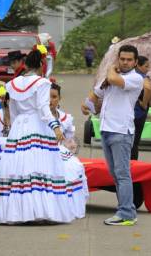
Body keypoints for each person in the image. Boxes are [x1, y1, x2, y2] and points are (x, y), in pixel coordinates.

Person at [0, 45, 84, 225]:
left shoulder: (11, 84)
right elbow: (44, 109)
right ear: (42, 64)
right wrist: (56, 126)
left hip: (19, 128)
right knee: (40, 166)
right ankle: (40, 211)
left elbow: (13, 111)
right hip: (37, 125)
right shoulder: (43, 83)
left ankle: (18, 213)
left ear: (25, 64)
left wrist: (15, 126)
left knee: (20, 168)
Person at [84, 43, 144, 227]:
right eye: (122, 59)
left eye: (129, 60)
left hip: (121, 131)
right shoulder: (111, 77)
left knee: (122, 174)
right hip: (107, 129)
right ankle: (124, 210)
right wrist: (88, 103)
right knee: (115, 174)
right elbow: (96, 93)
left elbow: (111, 77)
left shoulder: (135, 78)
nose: (125, 62)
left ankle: (127, 213)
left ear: (135, 62)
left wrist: (111, 68)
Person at [50, 81, 88, 220]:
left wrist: (69, 147)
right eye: (48, 97)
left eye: (54, 97)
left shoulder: (66, 118)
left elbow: (70, 142)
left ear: (59, 99)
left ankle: (66, 207)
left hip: (61, 152)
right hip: (42, 150)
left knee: (73, 166)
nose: (50, 100)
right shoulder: (39, 116)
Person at [131, 56, 151, 161]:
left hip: (128, 111)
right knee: (135, 141)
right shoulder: (142, 76)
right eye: (146, 66)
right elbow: (148, 88)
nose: (148, 68)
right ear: (138, 65)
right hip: (138, 112)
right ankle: (133, 165)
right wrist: (144, 104)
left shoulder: (128, 75)